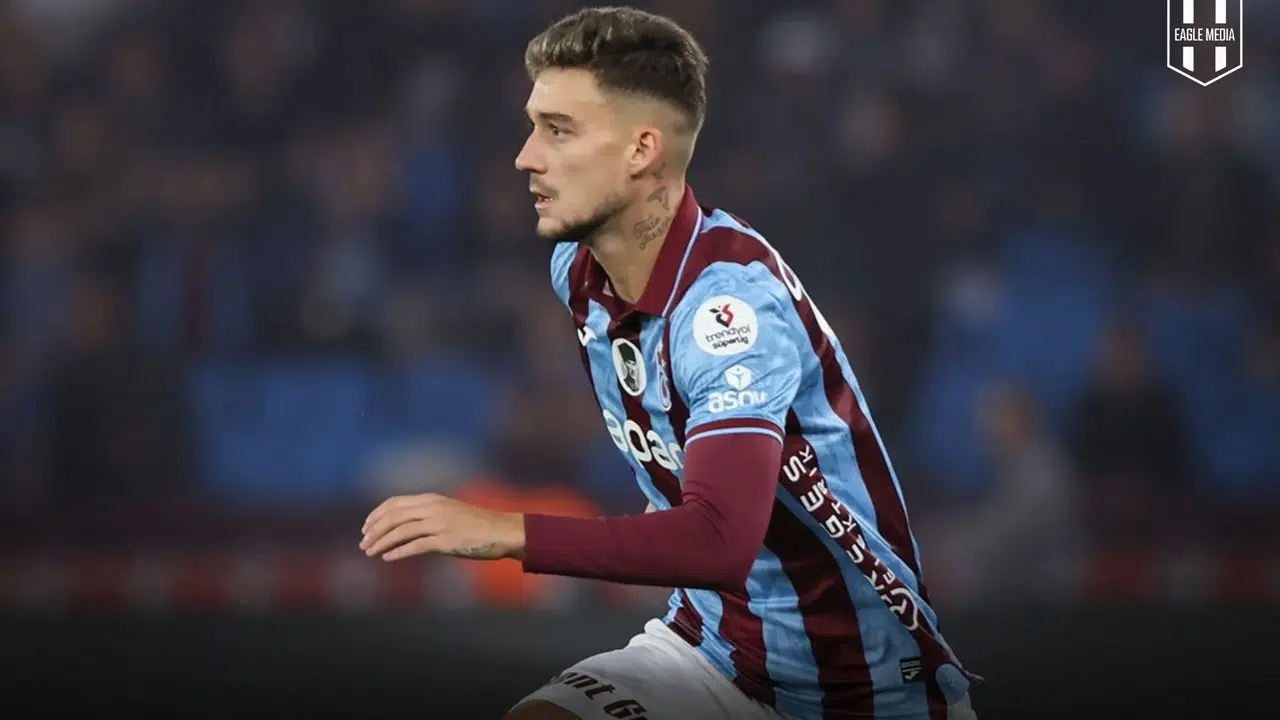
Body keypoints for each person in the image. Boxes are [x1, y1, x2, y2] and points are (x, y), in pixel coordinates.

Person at [359, 7, 978, 719]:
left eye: (558, 130)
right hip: (709, 652)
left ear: (641, 151)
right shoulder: (576, 270)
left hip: (866, 688)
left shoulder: (729, 312)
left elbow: (718, 540)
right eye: (533, 127)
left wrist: (499, 529)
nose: (526, 157)